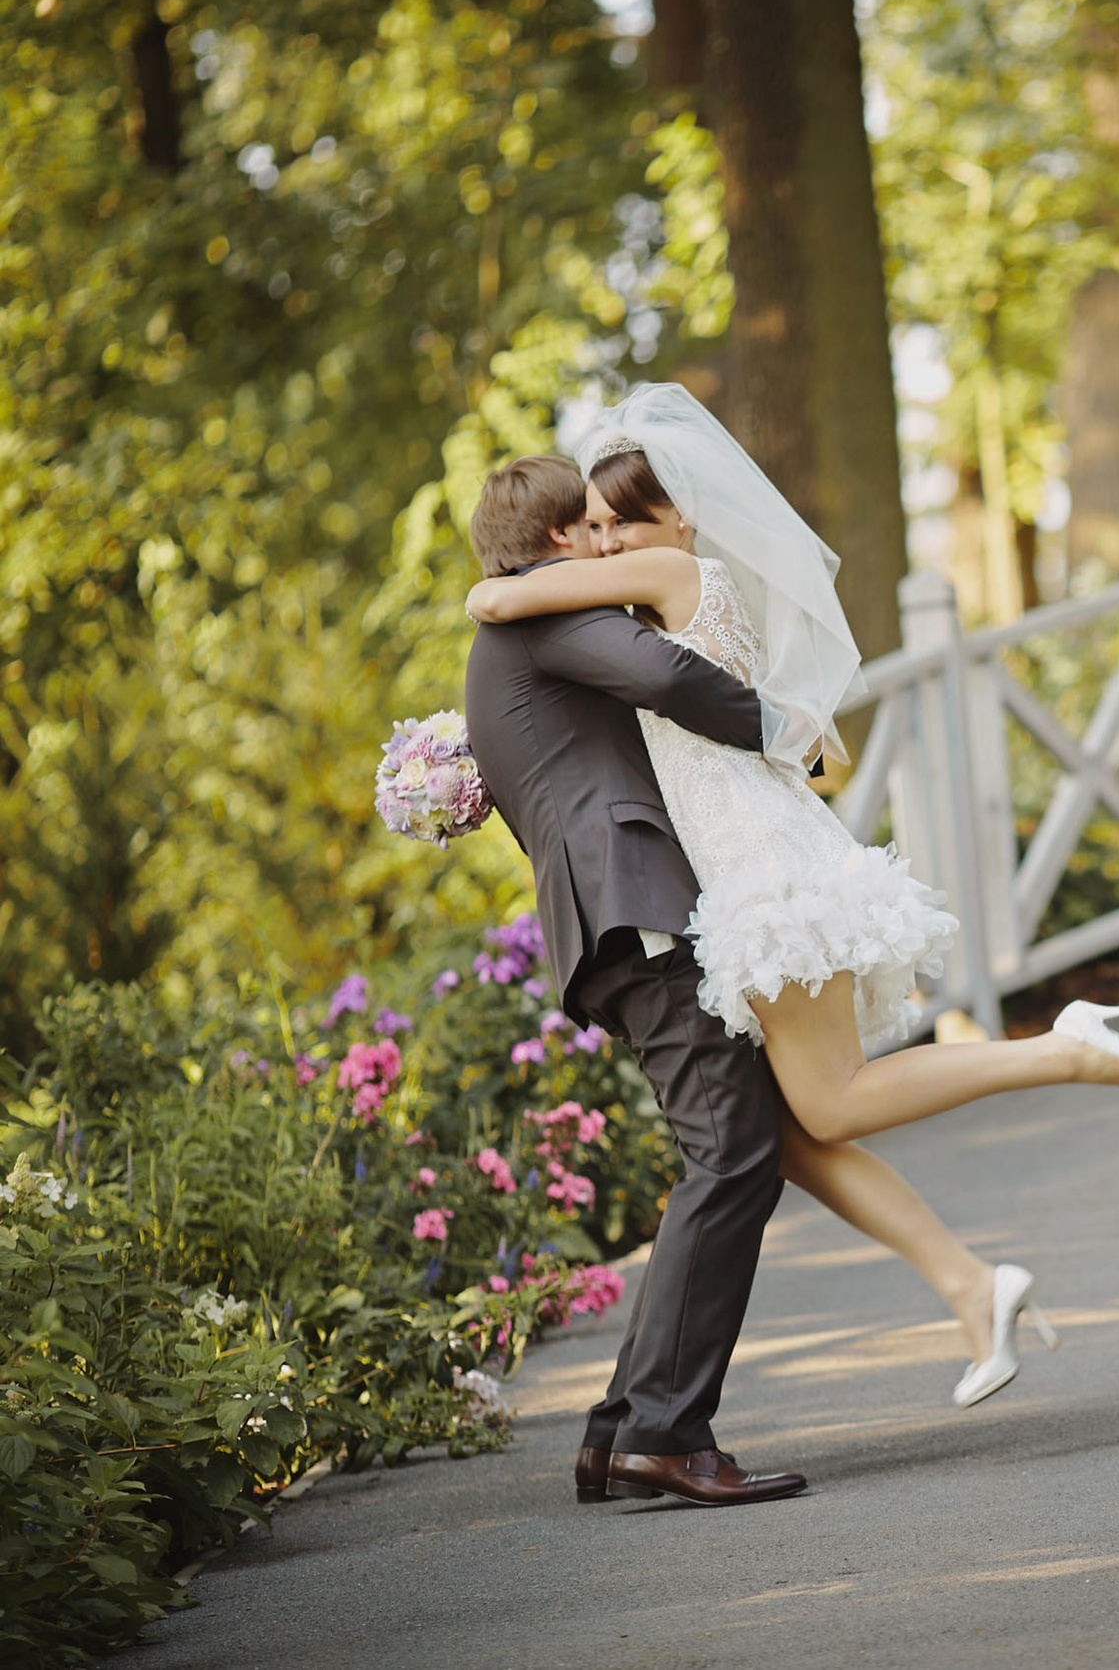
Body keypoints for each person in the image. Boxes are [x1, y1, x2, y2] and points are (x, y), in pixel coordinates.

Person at [464, 384, 1119, 1411]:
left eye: (621, 521)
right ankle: (974, 1287)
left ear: (679, 516)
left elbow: (505, 602)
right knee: (792, 1128)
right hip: (742, 856)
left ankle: (1072, 1047)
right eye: (596, 525)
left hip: (758, 861)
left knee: (830, 1098)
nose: (609, 543)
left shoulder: (666, 570)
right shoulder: (632, 596)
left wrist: (496, 591)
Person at [462, 454, 807, 1507]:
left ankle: (621, 1428)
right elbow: (663, 675)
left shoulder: (509, 628)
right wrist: (780, 725)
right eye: (595, 529)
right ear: (562, 540)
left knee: (728, 1143)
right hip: (632, 903)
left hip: (609, 915)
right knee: (735, 1148)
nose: (611, 545)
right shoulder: (545, 620)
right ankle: (666, 1430)